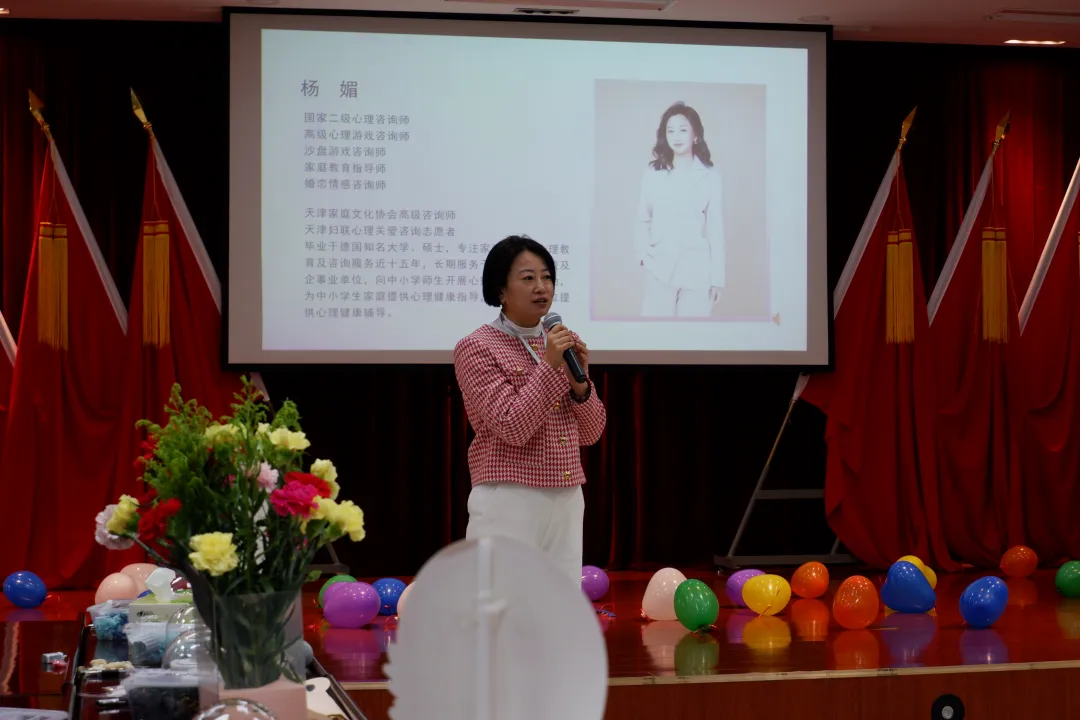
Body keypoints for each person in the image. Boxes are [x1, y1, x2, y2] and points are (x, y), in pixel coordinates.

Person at [453, 235, 607, 583]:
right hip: (509, 495)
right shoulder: (477, 347)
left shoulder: (560, 343)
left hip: (567, 494)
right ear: (501, 290)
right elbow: (512, 426)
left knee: (559, 602)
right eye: (528, 278)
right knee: (502, 603)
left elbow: (592, 432)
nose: (541, 287)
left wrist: (580, 384)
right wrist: (551, 367)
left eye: (547, 277)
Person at [633, 101, 726, 318]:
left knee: (693, 334)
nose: (676, 136)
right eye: (670, 131)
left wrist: (717, 279)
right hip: (660, 267)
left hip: (697, 271)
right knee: (654, 333)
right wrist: (643, 255)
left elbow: (715, 229)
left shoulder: (710, 176)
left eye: (683, 130)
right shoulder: (654, 173)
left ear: (696, 135)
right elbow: (643, 218)